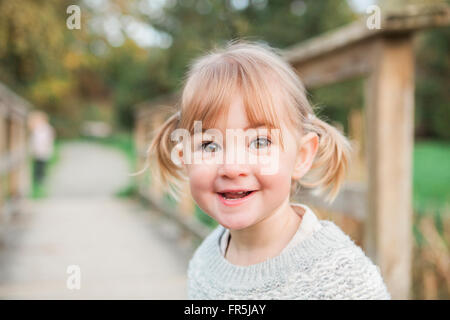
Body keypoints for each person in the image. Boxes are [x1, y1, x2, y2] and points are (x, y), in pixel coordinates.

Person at [144, 40, 391, 299]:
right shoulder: (204, 261)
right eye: (209, 145)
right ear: (185, 158)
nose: (232, 167)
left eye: (260, 142)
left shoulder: (343, 278)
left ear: (301, 156)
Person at [28, 111, 55, 188]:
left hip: (42, 150)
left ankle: (39, 180)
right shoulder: (40, 128)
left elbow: (44, 140)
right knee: (38, 166)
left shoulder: (44, 129)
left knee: (40, 166)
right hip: (39, 150)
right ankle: (38, 180)